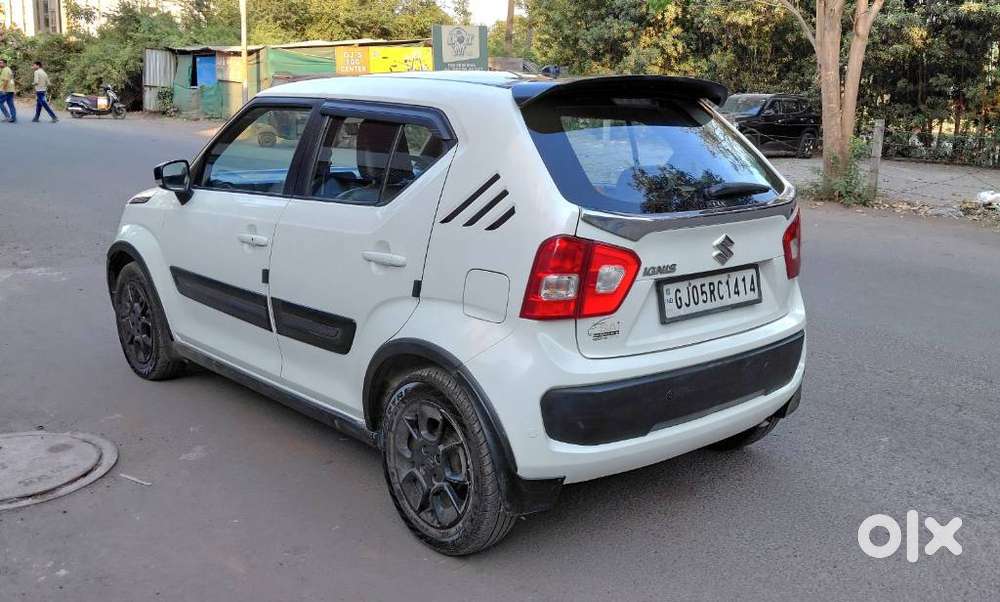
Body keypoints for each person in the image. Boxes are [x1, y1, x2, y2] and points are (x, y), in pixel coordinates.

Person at [0, 58, 15, 123]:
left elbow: (6, 80)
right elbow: (12, 80)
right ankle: (13, 117)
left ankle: (7, 116)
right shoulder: (9, 69)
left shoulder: (5, 70)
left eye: (1, 62)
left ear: (5, 63)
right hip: (10, 90)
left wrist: (3, 89)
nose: (0, 64)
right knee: (10, 104)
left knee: (0, 103)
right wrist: (13, 89)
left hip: (6, 90)